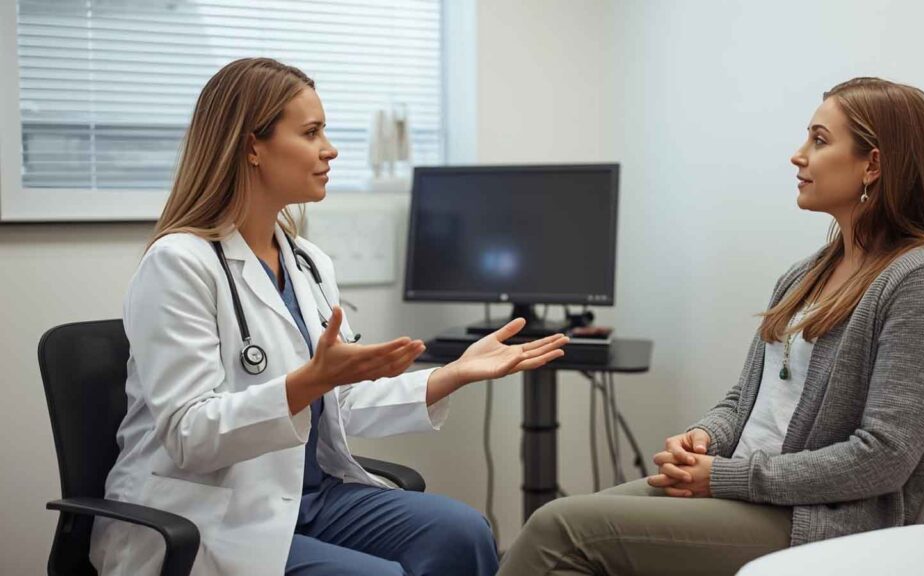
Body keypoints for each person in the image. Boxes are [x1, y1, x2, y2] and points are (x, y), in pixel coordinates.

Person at [90, 57, 569, 576]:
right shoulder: (179, 264)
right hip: (208, 515)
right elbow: (189, 435)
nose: (330, 149)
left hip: (308, 500)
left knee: (464, 533)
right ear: (252, 146)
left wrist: (450, 375)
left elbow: (338, 404)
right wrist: (304, 384)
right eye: (312, 132)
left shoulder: (307, 264)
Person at [497, 77, 924, 576]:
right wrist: (704, 438)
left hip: (817, 518)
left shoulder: (920, 284)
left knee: (559, 530)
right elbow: (745, 400)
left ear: (873, 164)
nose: (798, 156)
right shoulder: (807, 274)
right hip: (744, 489)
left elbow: (884, 456)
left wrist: (726, 478)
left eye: (819, 141)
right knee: (566, 528)